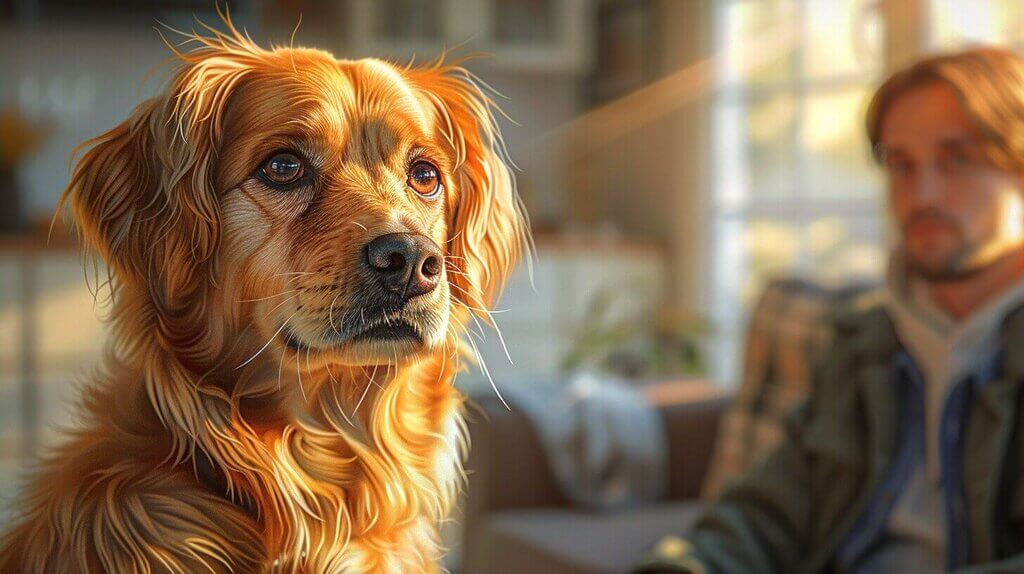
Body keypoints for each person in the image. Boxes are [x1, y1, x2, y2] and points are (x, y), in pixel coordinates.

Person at [636, 47, 1024, 574]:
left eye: (957, 158)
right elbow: (763, 514)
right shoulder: (863, 341)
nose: (921, 194)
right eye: (900, 165)